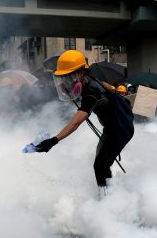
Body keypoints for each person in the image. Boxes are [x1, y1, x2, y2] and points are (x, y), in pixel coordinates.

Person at [34, 50, 135, 192]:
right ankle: (110, 193)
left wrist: (54, 140)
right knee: (101, 162)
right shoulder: (90, 77)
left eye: (70, 76)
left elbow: (76, 122)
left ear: (81, 72)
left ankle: (108, 199)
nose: (67, 81)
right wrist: (112, 89)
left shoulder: (91, 94)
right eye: (64, 77)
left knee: (100, 165)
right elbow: (104, 84)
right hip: (114, 125)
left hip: (120, 128)